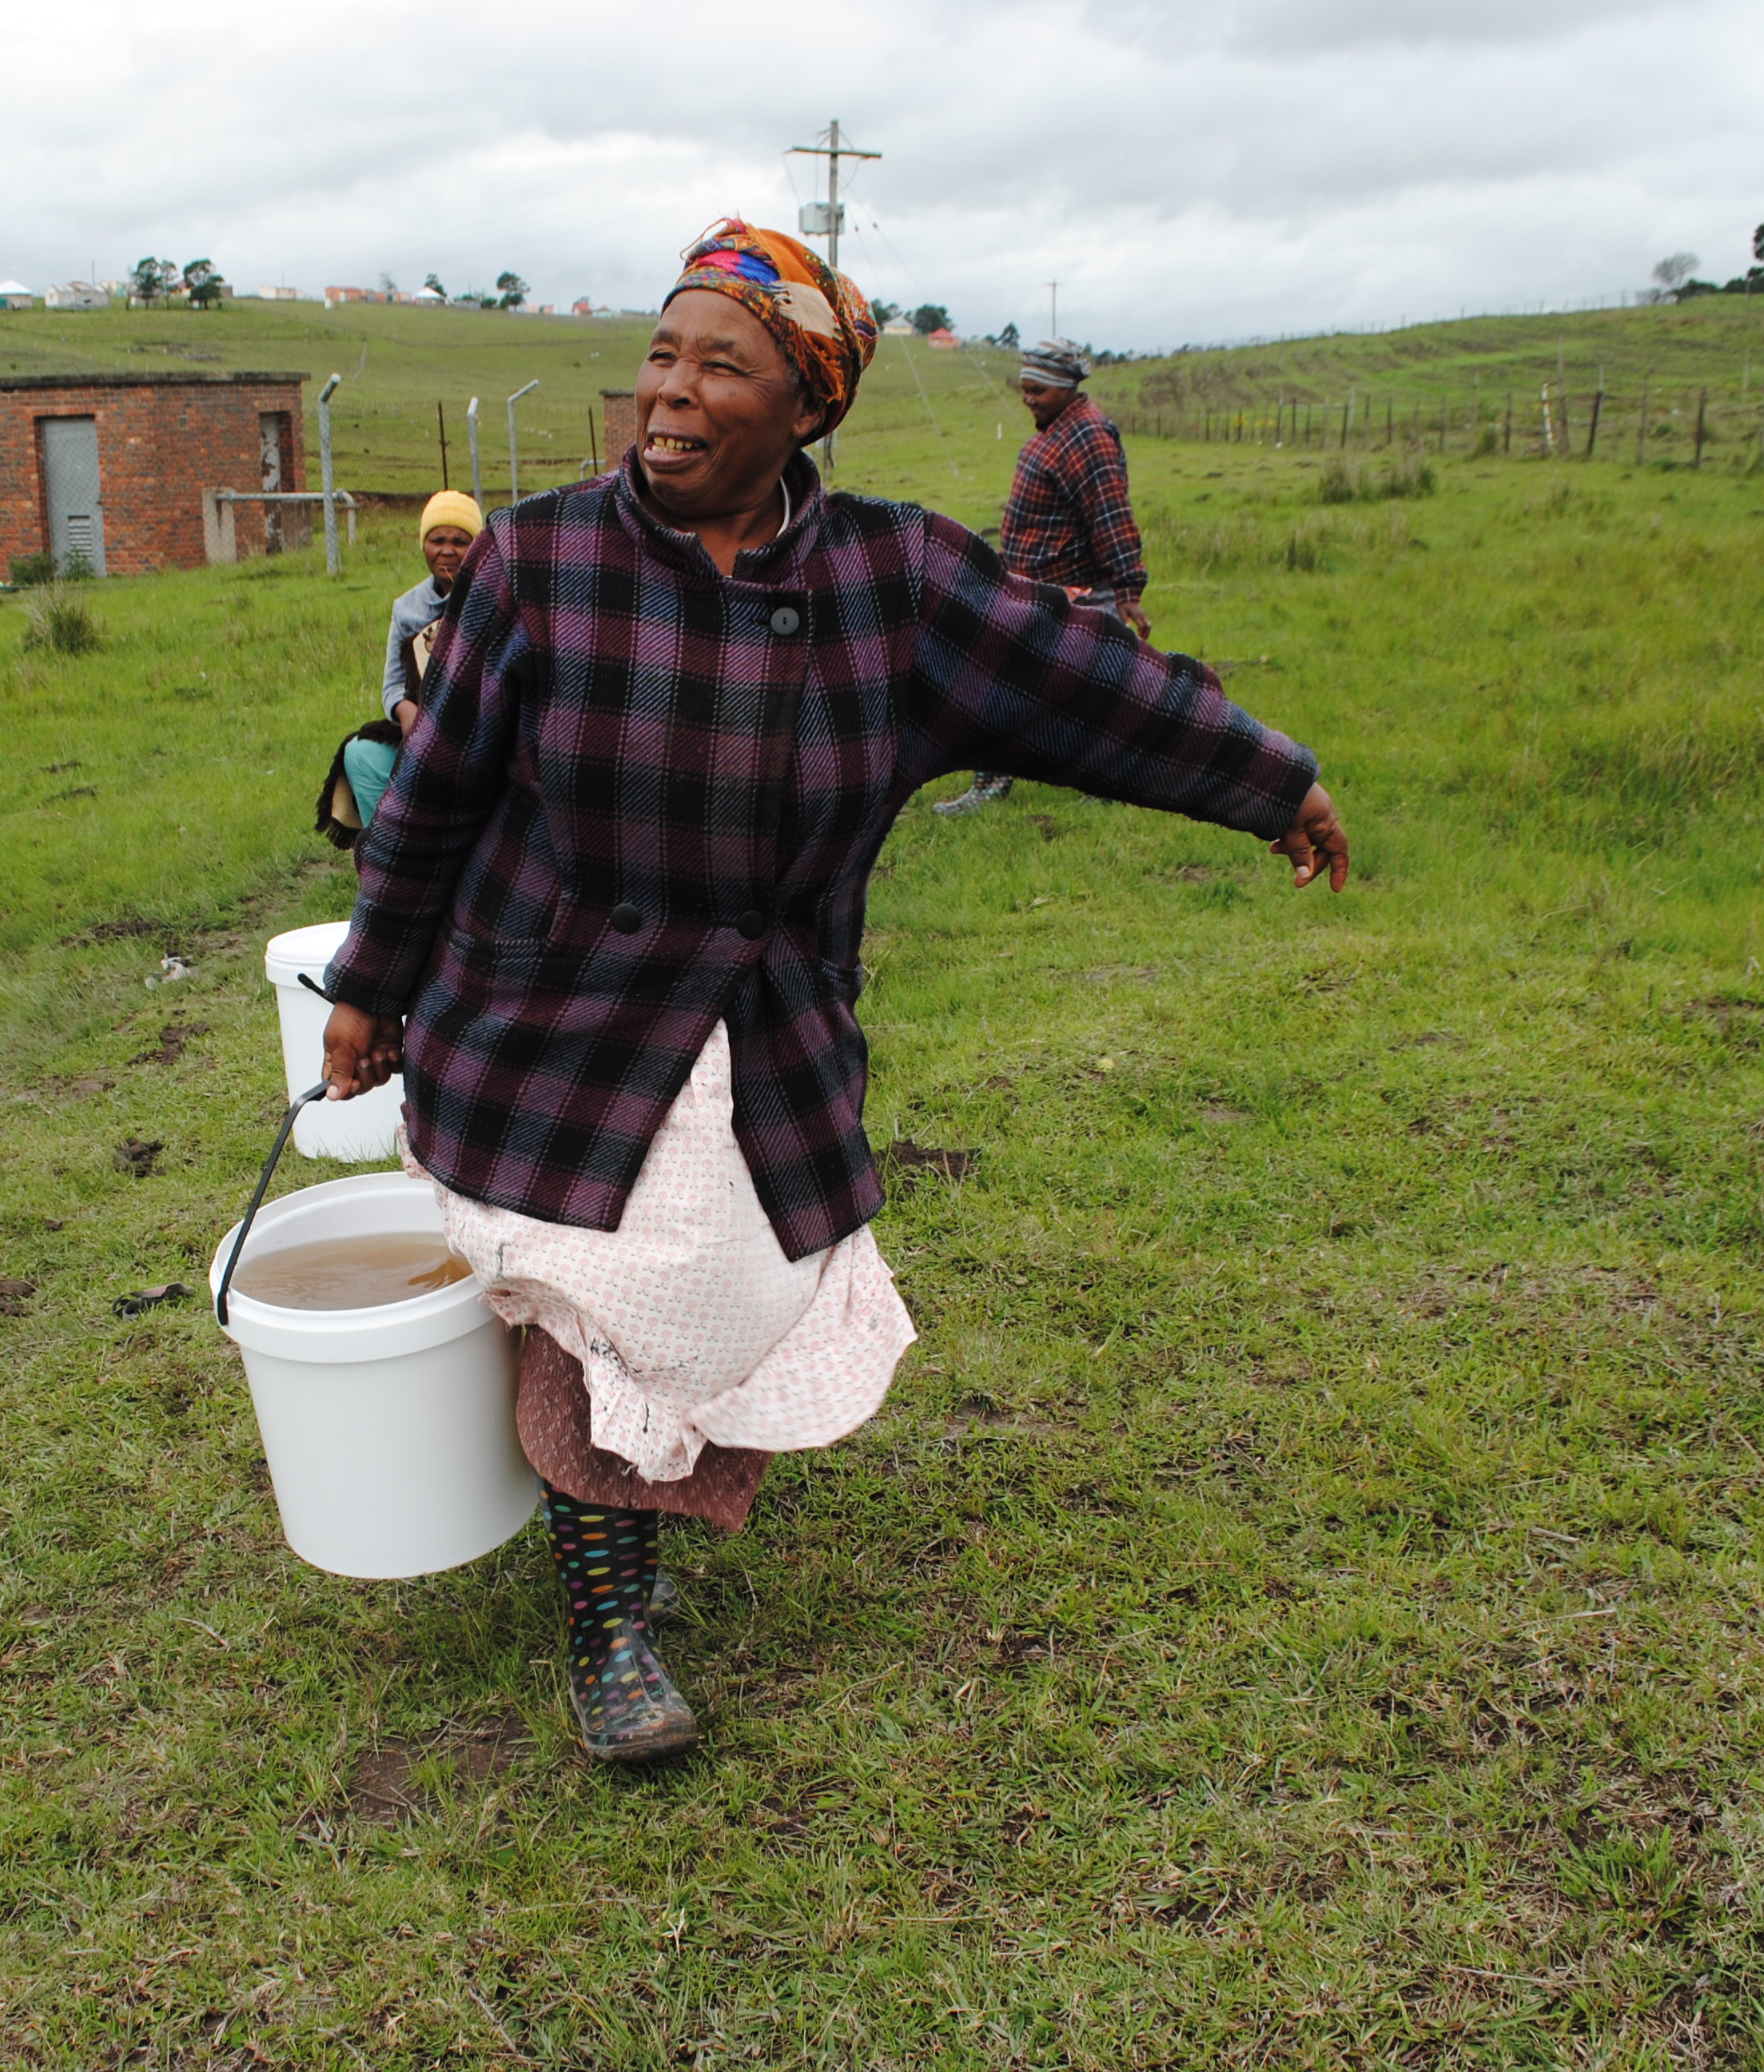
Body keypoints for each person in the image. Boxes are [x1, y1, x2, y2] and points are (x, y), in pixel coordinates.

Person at [317, 221, 1348, 1763]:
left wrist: (1269, 780)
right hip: (555, 1020)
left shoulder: (892, 582)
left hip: (756, 1024)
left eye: (720, 366)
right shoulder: (542, 563)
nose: (670, 390)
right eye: (660, 354)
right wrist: (369, 981)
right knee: (602, 1310)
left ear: (808, 404)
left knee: (695, 1298)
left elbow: (1089, 685)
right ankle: (608, 1625)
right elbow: (436, 795)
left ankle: (625, 1531)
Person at [934, 337, 1153, 817]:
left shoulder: (1086, 436)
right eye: (1025, 388)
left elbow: (1111, 515)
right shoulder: (1061, 430)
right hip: (1037, 587)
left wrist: (1128, 588)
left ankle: (1077, 779)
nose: (1028, 398)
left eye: (1038, 390)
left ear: (1066, 387)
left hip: (1071, 591)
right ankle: (1019, 778)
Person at [343, 492, 484, 827]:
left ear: (478, 548)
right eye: (437, 540)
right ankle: (386, 846)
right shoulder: (407, 608)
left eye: (460, 542)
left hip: (480, 739)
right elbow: (392, 685)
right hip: (420, 736)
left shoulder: (492, 599)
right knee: (360, 754)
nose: (447, 550)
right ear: (424, 546)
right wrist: (407, 712)